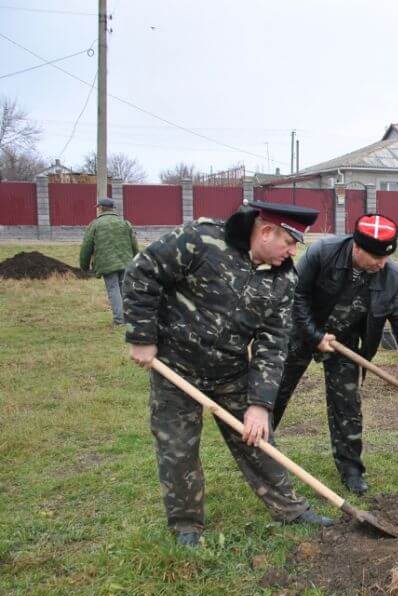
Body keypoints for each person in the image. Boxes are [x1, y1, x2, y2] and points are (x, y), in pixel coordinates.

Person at [123, 201, 333, 546]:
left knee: (257, 439)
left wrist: (260, 403)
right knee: (177, 449)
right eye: (290, 242)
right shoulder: (201, 240)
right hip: (175, 366)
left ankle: (291, 510)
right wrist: (141, 337)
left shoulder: (283, 279)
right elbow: (143, 271)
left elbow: (274, 341)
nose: (294, 251)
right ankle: (187, 526)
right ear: (266, 232)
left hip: (230, 371)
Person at [272, 214, 398, 495]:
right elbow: (296, 295)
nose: (382, 263)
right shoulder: (323, 253)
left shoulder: (391, 275)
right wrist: (315, 337)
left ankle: (351, 469)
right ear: (356, 247)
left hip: (345, 340)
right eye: (376, 256)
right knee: (276, 390)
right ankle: (260, 448)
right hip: (303, 330)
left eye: (387, 256)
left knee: (348, 406)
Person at [79, 197, 138, 325]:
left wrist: (84, 266)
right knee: (124, 289)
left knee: (113, 289)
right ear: (112, 208)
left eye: (98, 207)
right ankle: (128, 318)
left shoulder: (95, 224)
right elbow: (134, 244)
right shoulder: (124, 223)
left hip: (107, 263)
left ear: (100, 208)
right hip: (126, 262)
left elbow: (86, 247)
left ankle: (119, 320)